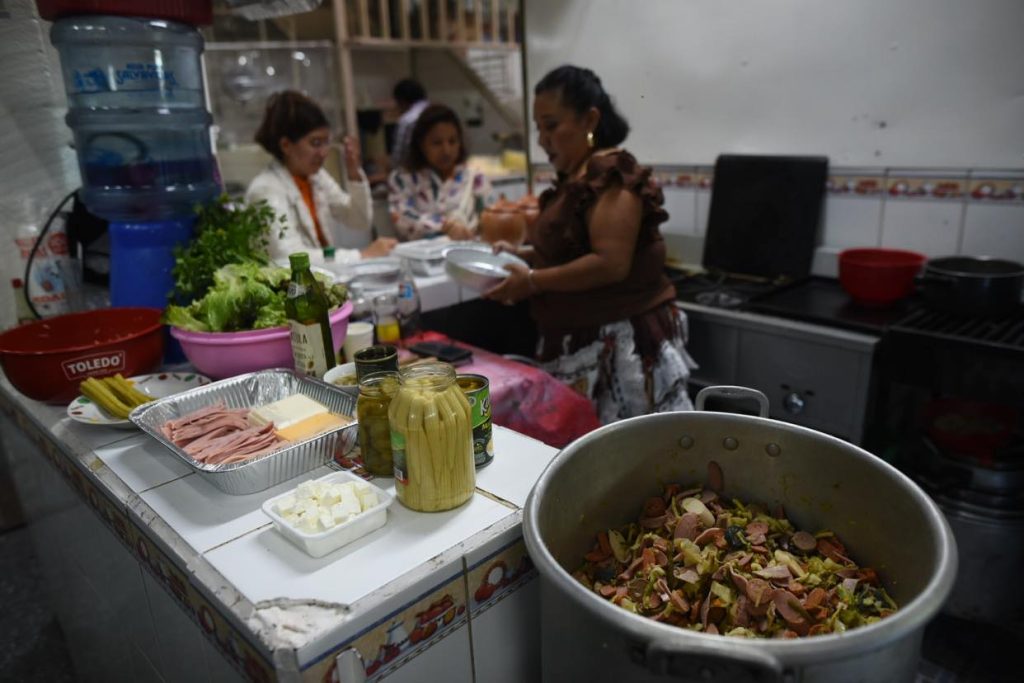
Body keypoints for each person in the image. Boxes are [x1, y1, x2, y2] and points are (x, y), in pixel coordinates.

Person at [483, 65, 695, 422]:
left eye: (551, 125)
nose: (542, 139)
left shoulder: (613, 174)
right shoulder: (577, 178)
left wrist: (531, 280)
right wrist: (522, 255)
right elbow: (572, 249)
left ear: (590, 120)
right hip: (579, 345)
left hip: (620, 348)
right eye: (538, 128)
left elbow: (609, 262)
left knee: (630, 462)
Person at [246, 91, 396, 264]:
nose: (324, 152)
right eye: (315, 143)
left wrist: (354, 174)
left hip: (321, 279)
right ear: (286, 145)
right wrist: (360, 256)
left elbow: (359, 220)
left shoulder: (316, 178)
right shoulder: (265, 189)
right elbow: (286, 257)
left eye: (327, 142)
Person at [387, 104, 494, 242]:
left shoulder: (474, 178)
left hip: (467, 256)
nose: (446, 151)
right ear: (421, 144)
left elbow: (490, 218)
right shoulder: (402, 179)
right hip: (419, 259)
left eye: (452, 141)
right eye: (437, 143)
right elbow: (402, 219)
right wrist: (446, 227)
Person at [390, 78, 430, 169]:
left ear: (401, 101)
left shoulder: (407, 120)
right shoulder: (436, 111)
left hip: (416, 171)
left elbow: (399, 156)